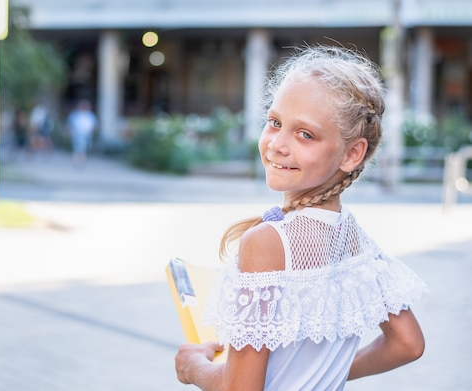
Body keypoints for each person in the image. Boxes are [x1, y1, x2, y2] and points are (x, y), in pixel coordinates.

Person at [174, 45, 426, 390]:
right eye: (274, 122)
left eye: (304, 134)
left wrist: (193, 369)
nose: (277, 144)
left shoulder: (268, 242)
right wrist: (327, 376)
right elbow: (407, 343)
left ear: (352, 153)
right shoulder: (353, 236)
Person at [66, 100, 97, 165]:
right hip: (78, 133)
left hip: (87, 134)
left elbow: (94, 125)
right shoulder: (75, 114)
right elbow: (70, 124)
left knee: (85, 146)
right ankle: (78, 159)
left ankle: (81, 158)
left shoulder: (91, 115)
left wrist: (93, 132)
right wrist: (69, 133)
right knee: (79, 146)